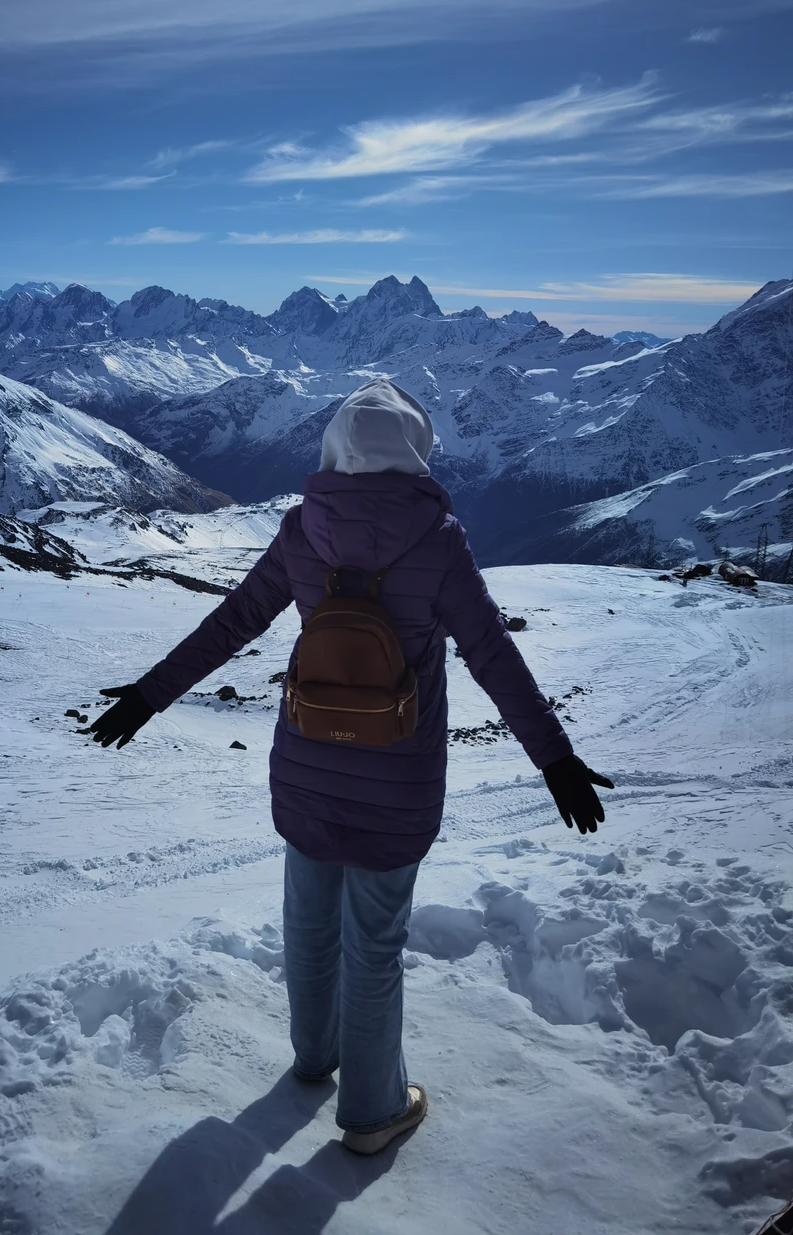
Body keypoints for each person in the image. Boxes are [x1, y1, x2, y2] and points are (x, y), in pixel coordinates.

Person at [90, 378, 614, 1156]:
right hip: (396, 778)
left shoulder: (304, 529)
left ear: (336, 449)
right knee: (373, 944)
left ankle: (313, 1059)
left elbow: (232, 622)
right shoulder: (438, 541)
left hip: (306, 760)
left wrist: (148, 695)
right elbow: (492, 656)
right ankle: (372, 1113)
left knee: (307, 921)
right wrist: (555, 758)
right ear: (414, 451)